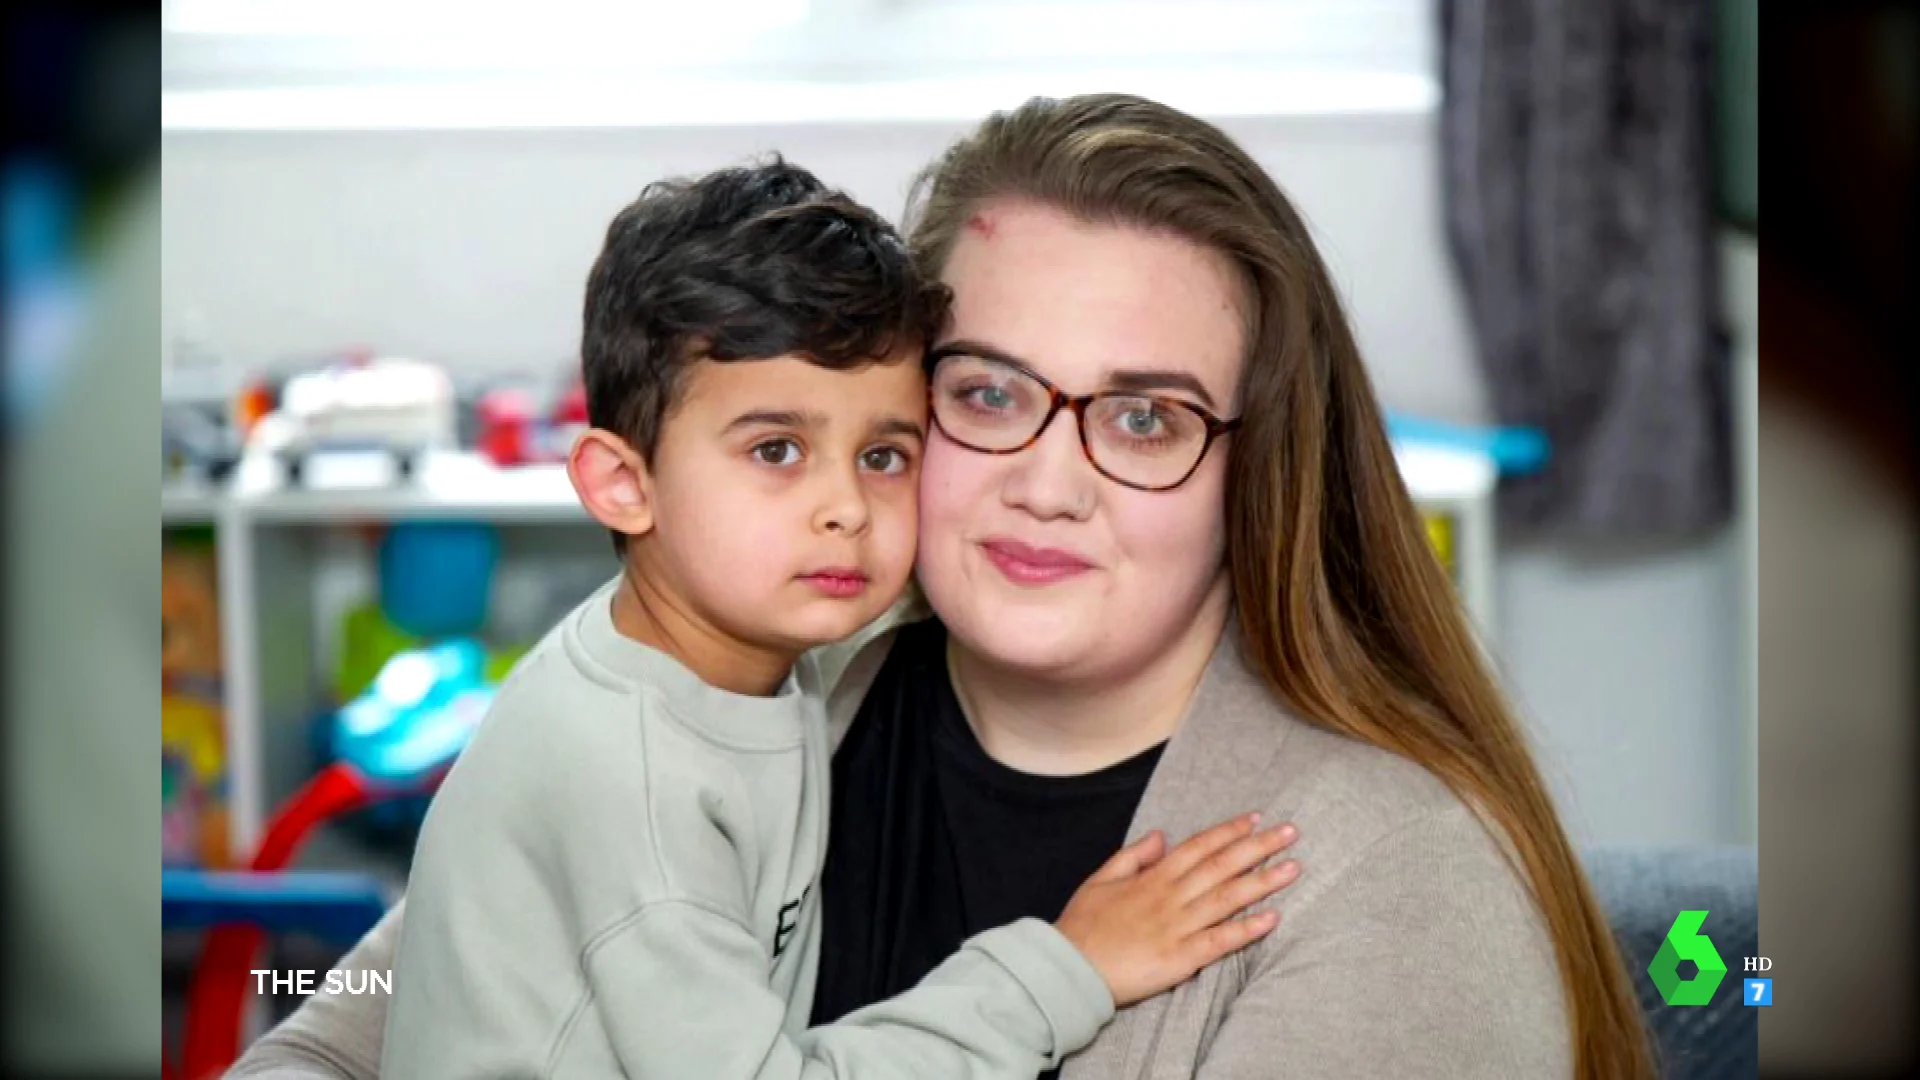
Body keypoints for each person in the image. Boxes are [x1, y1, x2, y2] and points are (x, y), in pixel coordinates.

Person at [229, 94, 1654, 1080]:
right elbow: (371, 1005)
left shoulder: (1396, 885)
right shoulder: (747, 688)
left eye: (1144, 417)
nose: (1050, 477)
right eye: (989, 394)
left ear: (1260, 471)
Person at [373, 159, 1298, 1080]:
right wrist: (1068, 969)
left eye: (886, 455)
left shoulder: (749, 650)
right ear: (623, 485)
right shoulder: (633, 787)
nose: (846, 508)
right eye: (777, 449)